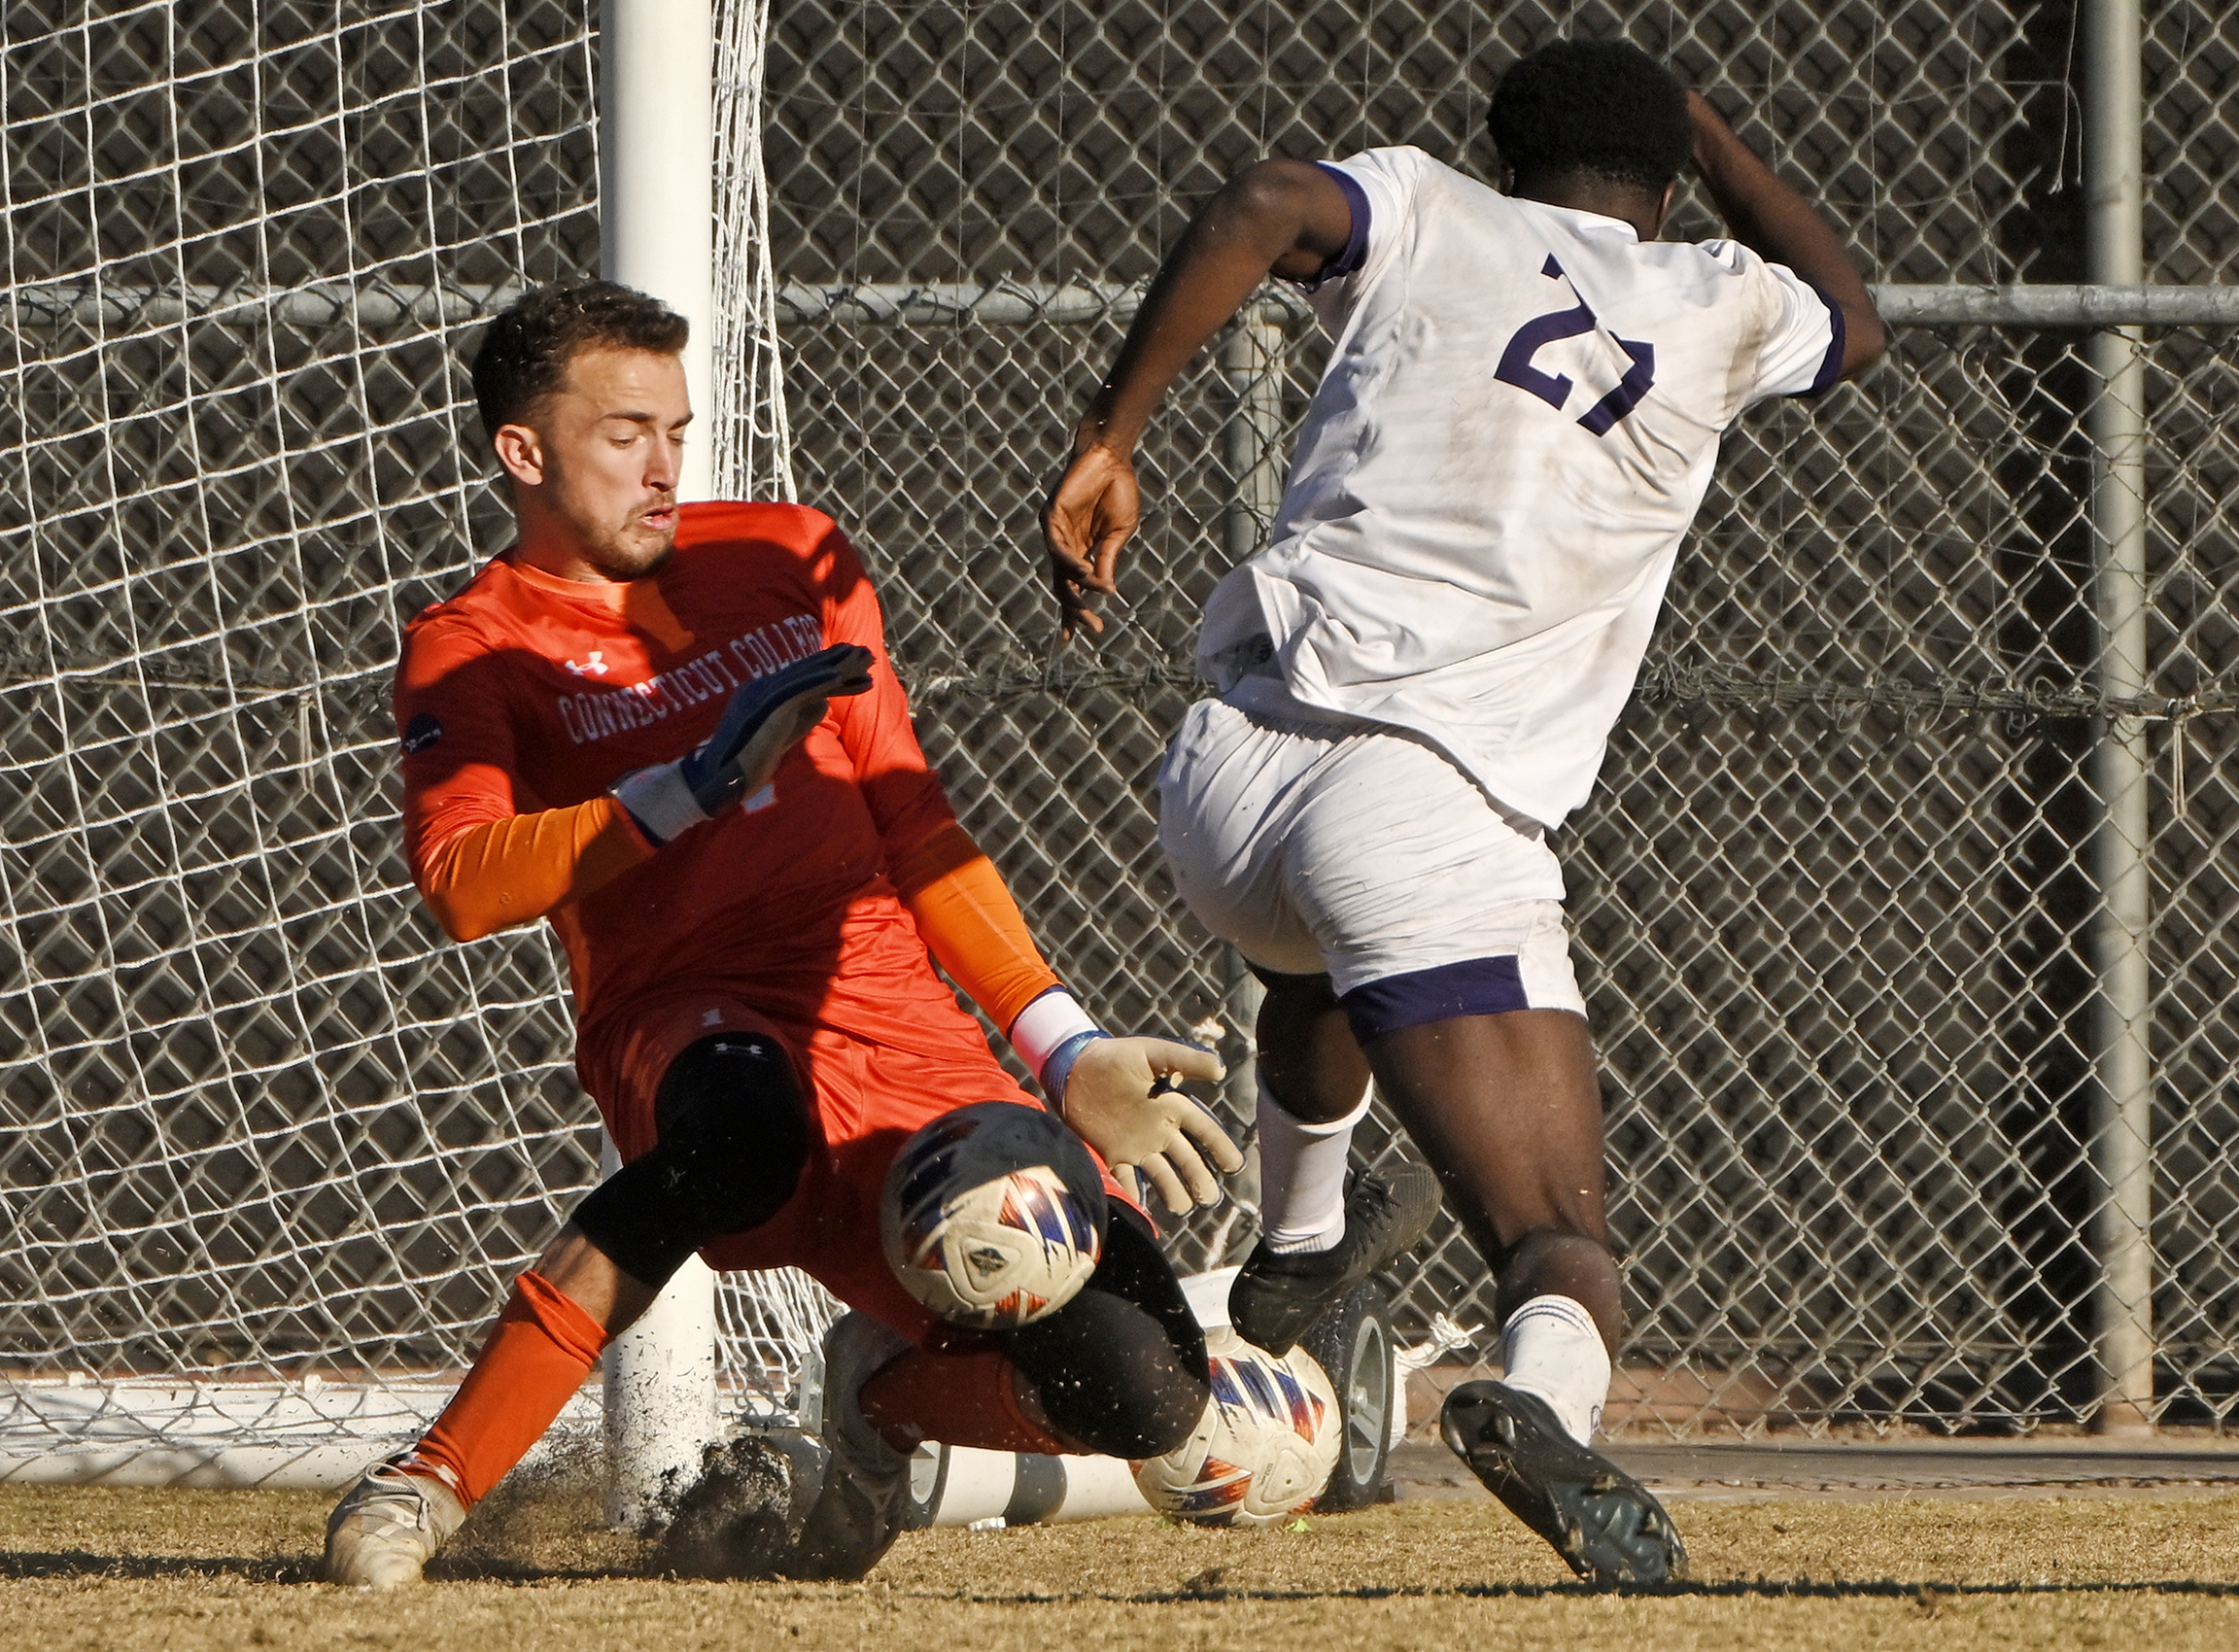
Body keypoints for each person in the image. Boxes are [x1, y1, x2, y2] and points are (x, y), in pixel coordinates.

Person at [1039, 40, 1885, 1584]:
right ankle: (1533, 1398)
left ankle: (1296, 1247)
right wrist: (1715, 133)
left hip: (1226, 778)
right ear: (1673, 175)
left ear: (1501, 151)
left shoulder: (1428, 207)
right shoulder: (1713, 295)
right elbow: (1856, 322)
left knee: (1316, 962)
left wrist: (1115, 432)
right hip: (1416, 806)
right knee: (1555, 1238)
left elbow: (1258, 199)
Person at [324, 278, 1241, 1588]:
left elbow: (917, 825)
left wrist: (1063, 1046)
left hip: (899, 1027)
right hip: (689, 1015)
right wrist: (682, 788)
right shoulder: (473, 647)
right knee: (742, 1136)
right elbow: (461, 884)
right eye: (624, 431)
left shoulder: (788, 555)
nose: (663, 467)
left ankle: (875, 1400)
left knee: (1146, 1389)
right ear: (521, 453)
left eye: (678, 431)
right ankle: (429, 1479)